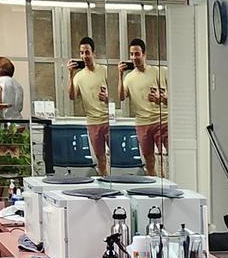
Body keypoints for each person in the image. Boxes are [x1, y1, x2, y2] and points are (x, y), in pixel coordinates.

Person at [117, 37, 169, 173]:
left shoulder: (161, 71)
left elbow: (175, 99)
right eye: (132, 54)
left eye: (137, 54)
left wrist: (162, 98)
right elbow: (121, 97)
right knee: (149, 160)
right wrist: (120, 75)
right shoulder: (128, 78)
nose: (134, 57)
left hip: (162, 121)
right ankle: (154, 187)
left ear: (144, 54)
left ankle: (168, 185)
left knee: (168, 159)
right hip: (142, 124)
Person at [70, 35, 109, 172]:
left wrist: (107, 97)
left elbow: (117, 96)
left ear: (93, 53)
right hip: (92, 121)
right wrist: (70, 74)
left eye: (87, 52)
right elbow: (72, 96)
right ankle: (104, 181)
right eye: (81, 53)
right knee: (100, 158)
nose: (84, 56)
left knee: (114, 157)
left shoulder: (104, 70)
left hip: (107, 120)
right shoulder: (78, 76)